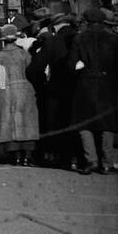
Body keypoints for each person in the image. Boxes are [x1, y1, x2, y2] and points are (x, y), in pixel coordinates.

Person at [68, 6, 118, 174]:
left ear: (86, 21)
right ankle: (107, 162)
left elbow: (71, 65)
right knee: (107, 124)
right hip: (108, 85)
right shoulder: (113, 40)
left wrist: (79, 68)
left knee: (84, 124)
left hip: (85, 85)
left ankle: (91, 160)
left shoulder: (79, 39)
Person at [0, 23, 40, 165]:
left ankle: (16, 157)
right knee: (27, 122)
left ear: (3, 40)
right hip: (26, 90)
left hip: (7, 92)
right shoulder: (24, 54)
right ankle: (28, 156)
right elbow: (33, 71)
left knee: (10, 123)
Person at [39, 11, 78, 170]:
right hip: (77, 88)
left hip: (55, 89)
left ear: (54, 27)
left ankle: (57, 156)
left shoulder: (52, 42)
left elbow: (36, 67)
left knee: (55, 123)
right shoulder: (79, 38)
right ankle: (75, 157)